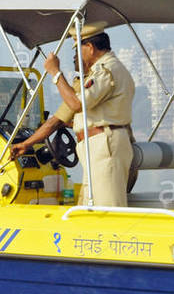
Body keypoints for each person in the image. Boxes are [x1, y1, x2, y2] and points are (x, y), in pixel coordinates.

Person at [10, 22, 135, 206]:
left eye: (78, 50)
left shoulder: (105, 70)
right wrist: (28, 143)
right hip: (97, 147)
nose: (76, 57)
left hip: (105, 145)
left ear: (90, 47)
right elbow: (63, 119)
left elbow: (76, 104)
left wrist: (55, 72)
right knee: (89, 208)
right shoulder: (101, 72)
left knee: (107, 209)